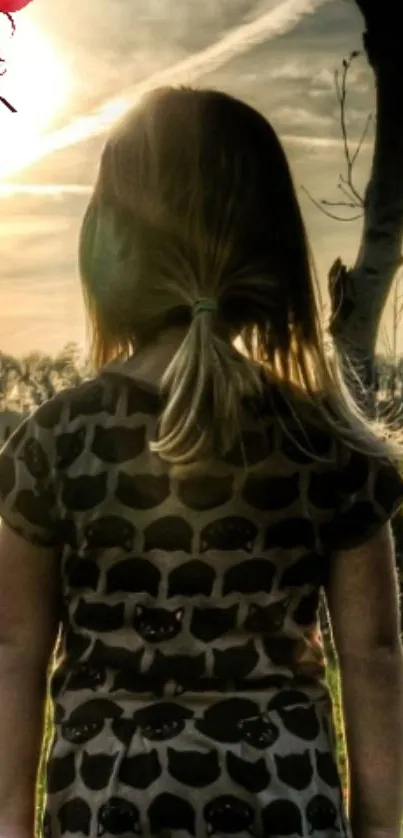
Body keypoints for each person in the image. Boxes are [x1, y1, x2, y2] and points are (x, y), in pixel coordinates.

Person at [0, 87, 402, 838]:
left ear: (109, 246)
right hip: (279, 801)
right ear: (275, 248)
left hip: (105, 806)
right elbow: (372, 652)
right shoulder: (330, 446)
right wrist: (378, 828)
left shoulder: (54, 442)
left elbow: (14, 646)